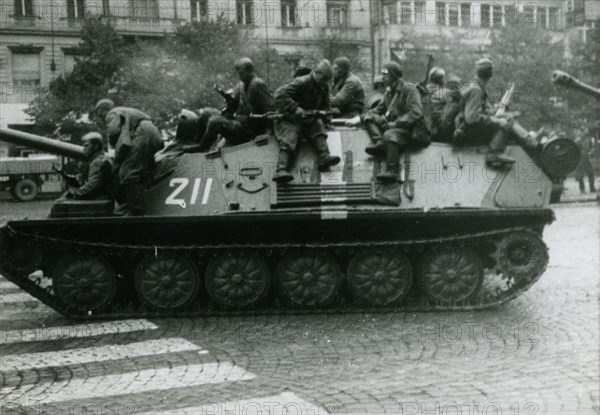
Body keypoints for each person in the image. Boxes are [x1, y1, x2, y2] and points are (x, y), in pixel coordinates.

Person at [347, 62, 429, 183]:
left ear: (393, 75)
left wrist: (396, 124)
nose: (383, 77)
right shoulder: (389, 93)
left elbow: (415, 113)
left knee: (390, 134)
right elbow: (378, 110)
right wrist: (359, 118)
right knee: (370, 117)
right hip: (394, 127)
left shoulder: (409, 89)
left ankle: (393, 171)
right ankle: (380, 143)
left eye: (385, 74)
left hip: (411, 130)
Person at [455, 58, 542, 168]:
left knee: (508, 116)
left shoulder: (474, 87)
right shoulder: (476, 90)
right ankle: (494, 152)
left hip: (467, 128)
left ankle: (530, 140)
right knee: (507, 120)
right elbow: (471, 118)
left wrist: (494, 111)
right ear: (490, 75)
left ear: (476, 73)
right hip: (468, 131)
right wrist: (496, 120)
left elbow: (477, 111)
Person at [186, 57, 275, 153]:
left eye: (241, 72)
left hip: (250, 131)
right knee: (205, 113)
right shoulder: (241, 84)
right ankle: (196, 143)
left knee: (214, 121)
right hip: (239, 122)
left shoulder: (257, 84)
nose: (240, 76)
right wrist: (229, 99)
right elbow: (233, 106)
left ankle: (201, 147)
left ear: (251, 70)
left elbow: (271, 110)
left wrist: (268, 133)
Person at [272, 60, 341, 183]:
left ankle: (324, 157)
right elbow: (279, 94)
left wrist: (327, 118)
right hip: (288, 119)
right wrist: (295, 108)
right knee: (289, 138)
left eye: (327, 79)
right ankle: (281, 169)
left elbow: (325, 104)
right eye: (324, 78)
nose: (325, 82)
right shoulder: (301, 82)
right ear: (317, 73)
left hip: (308, 119)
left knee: (318, 127)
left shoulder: (323, 86)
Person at [94, 99, 164, 216]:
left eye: (101, 115)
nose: (102, 119)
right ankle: (134, 204)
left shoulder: (113, 113)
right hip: (153, 134)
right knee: (141, 172)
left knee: (128, 172)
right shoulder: (127, 112)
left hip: (143, 133)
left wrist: (116, 158)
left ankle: (136, 209)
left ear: (105, 109)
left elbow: (113, 132)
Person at [62, 132, 113, 200]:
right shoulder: (104, 158)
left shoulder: (97, 162)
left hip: (101, 200)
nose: (84, 149)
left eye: (86, 146)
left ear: (96, 146)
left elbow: (91, 188)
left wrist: (73, 192)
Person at [424, 67, 448, 141]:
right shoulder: (445, 93)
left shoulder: (422, 91)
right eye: (444, 78)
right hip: (438, 130)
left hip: (422, 129)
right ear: (441, 79)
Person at [574, 129, 597, 194]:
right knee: (580, 175)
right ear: (581, 132)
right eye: (584, 131)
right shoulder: (577, 140)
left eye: (586, 131)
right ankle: (582, 189)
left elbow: (592, 147)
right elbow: (574, 150)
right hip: (580, 159)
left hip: (587, 158)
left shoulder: (588, 139)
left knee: (591, 173)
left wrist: (591, 151)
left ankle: (592, 188)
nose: (586, 133)